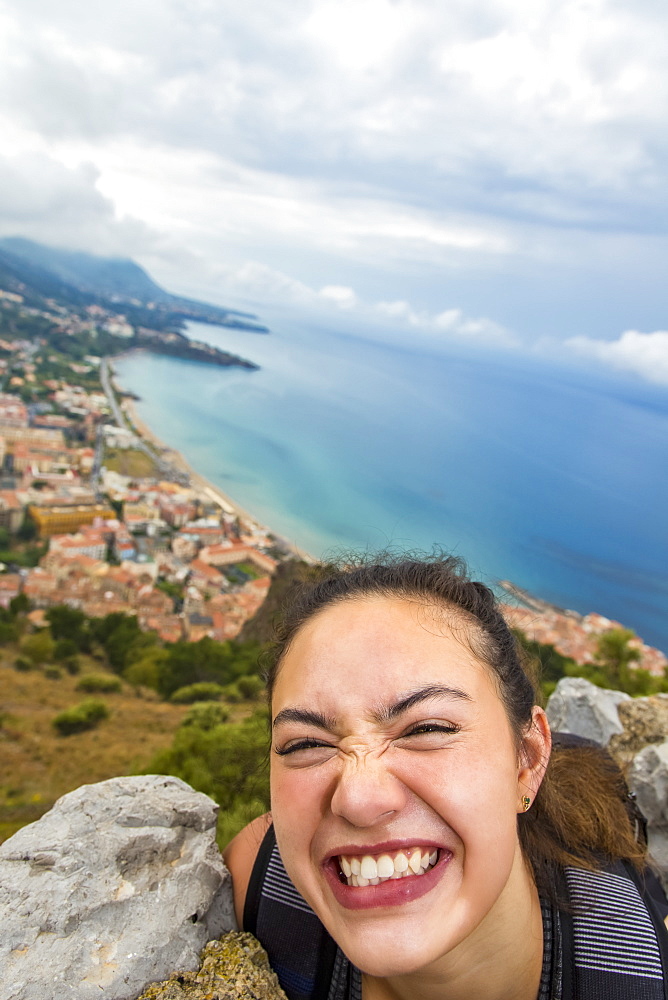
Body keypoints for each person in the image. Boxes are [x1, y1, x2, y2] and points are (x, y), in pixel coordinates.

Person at [224, 554, 668, 1000]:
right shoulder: (253, 882)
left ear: (527, 761)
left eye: (426, 729)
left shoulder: (634, 973)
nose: (359, 798)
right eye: (307, 744)